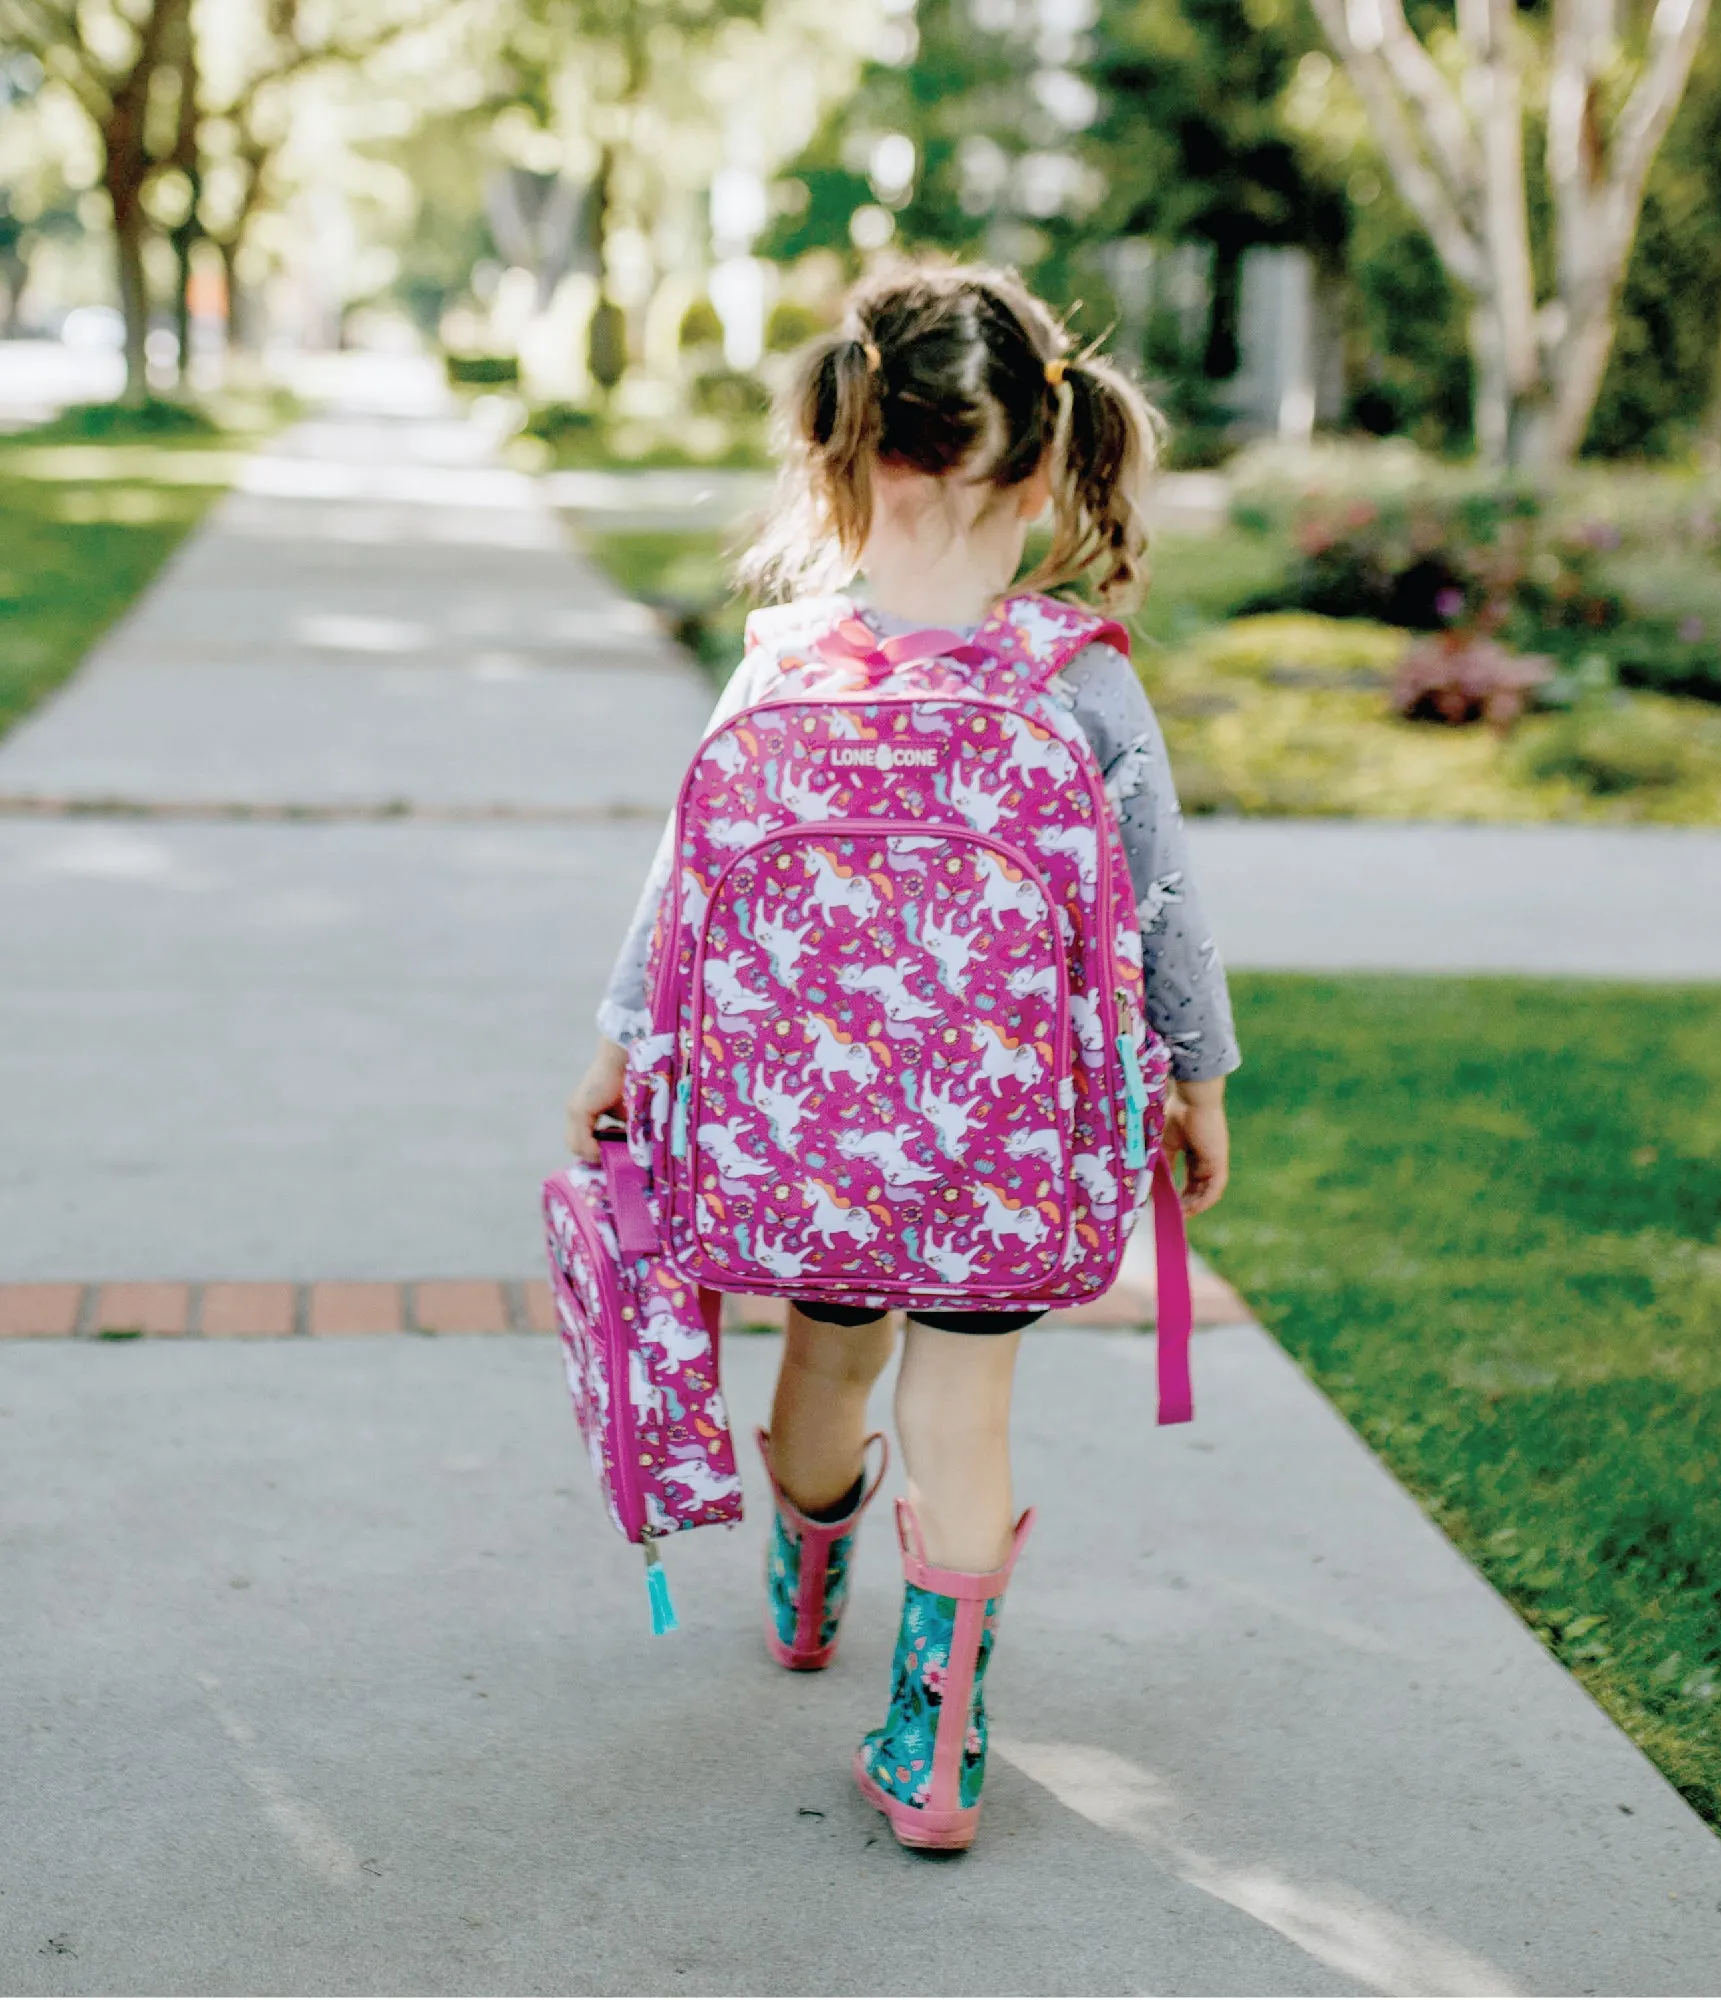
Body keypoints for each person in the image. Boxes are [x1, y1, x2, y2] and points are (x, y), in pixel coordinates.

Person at [563, 262, 1238, 1850]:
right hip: (1001, 1146)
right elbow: (1164, 899)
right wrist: (1197, 1078)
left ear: (846, 455)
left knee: (827, 1357)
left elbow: (686, 876)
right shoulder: (1079, 684)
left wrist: (618, 1043)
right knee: (964, 1404)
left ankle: (806, 1601)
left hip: (807, 1135)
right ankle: (937, 1750)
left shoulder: (787, 662)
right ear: (1043, 464)